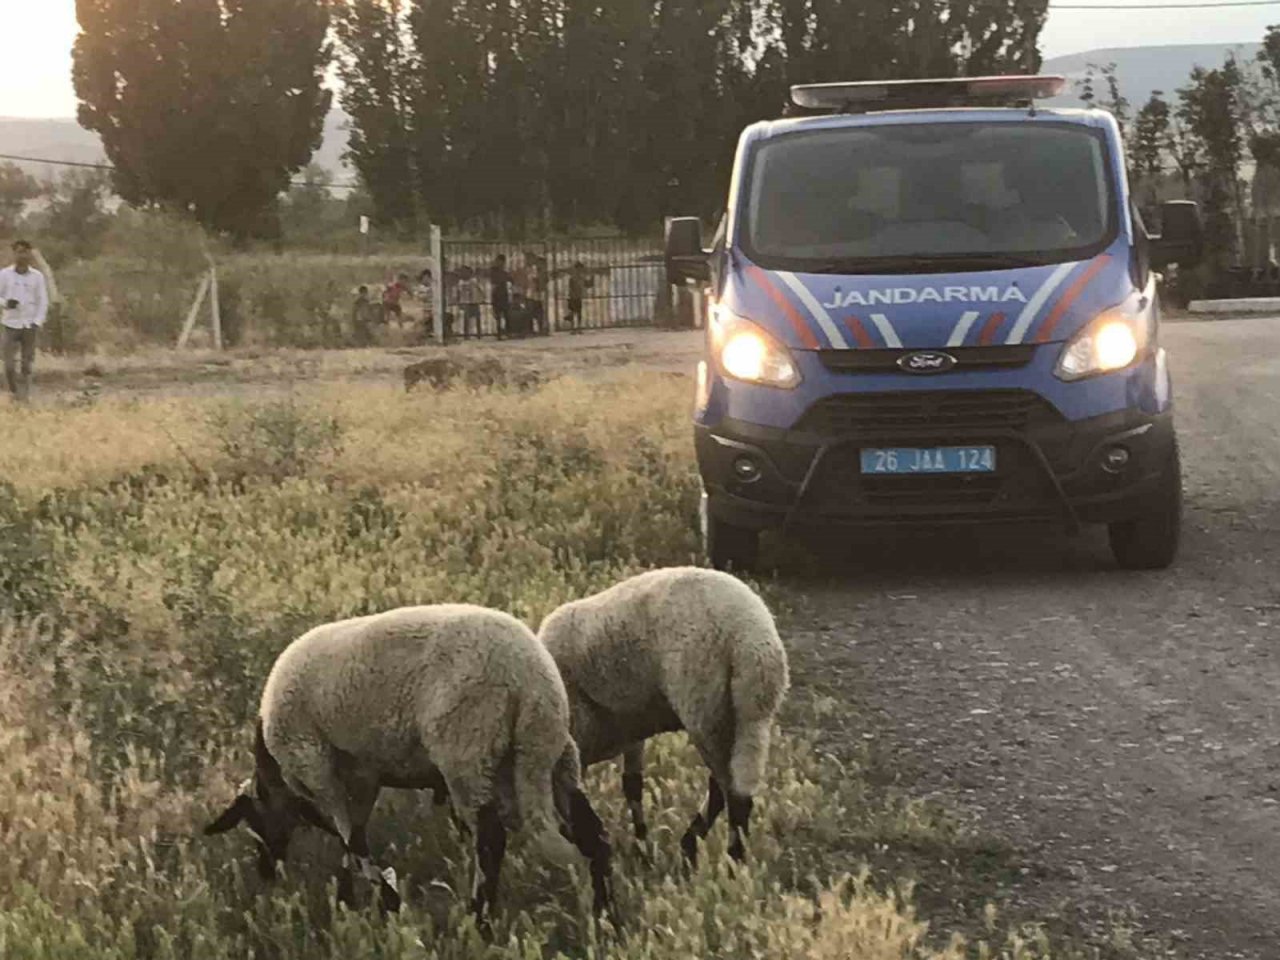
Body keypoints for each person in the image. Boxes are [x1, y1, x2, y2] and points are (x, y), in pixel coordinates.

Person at [0, 240, 49, 403]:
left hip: (30, 324)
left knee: (27, 364)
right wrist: (6, 302)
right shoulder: (4, 274)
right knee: (8, 365)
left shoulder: (37, 276)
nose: (22, 255)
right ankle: (14, 391)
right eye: (19, 252)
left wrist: (38, 321)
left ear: (29, 254)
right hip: (10, 323)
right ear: (13, 253)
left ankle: (24, 397)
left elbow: (42, 300)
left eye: (25, 252)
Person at [566, 260, 594, 335]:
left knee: (578, 313)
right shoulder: (573, 278)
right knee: (574, 313)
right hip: (573, 297)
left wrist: (592, 278)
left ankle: (577, 328)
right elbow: (571, 287)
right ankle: (573, 328)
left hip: (577, 297)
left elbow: (588, 285)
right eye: (579, 268)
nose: (580, 270)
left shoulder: (580, 277)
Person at [489, 254, 511, 339]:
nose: (499, 263)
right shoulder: (494, 271)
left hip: (503, 293)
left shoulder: (504, 271)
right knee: (498, 314)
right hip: (496, 294)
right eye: (498, 261)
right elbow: (494, 281)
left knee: (506, 314)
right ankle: (499, 333)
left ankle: (507, 332)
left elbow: (508, 279)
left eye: (501, 261)